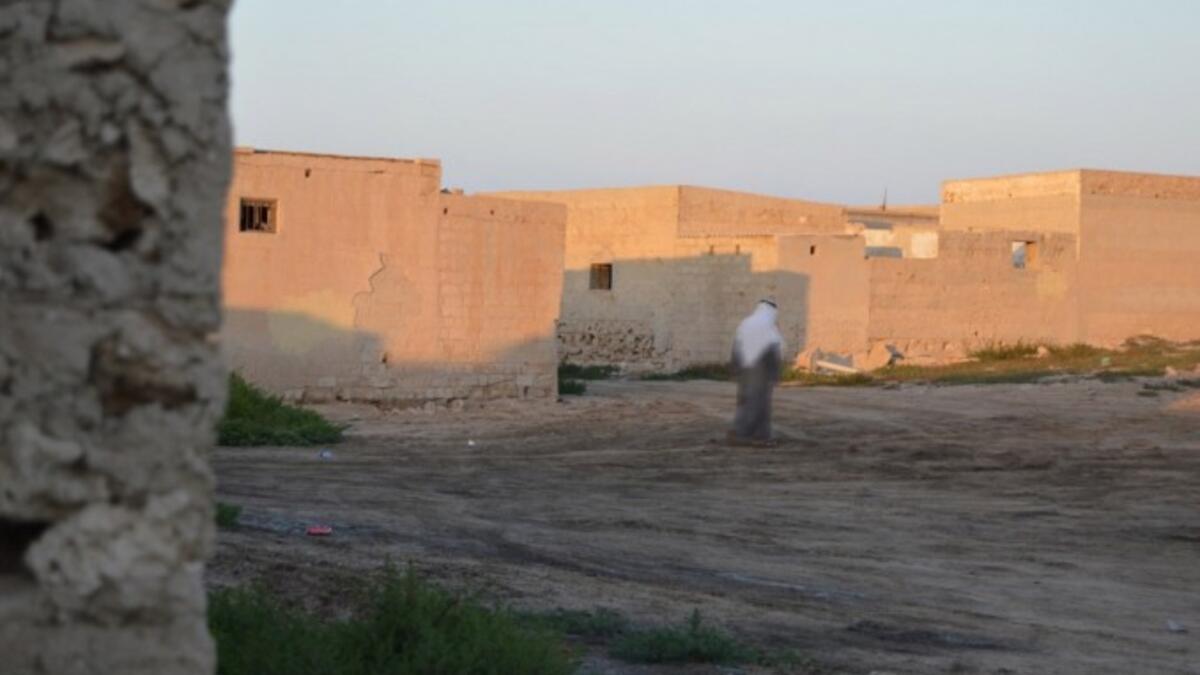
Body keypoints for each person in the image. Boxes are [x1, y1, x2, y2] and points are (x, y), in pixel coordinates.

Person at [729, 299, 783, 446]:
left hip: (745, 369)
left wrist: (735, 368)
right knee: (760, 404)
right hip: (760, 370)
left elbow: (736, 346)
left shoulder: (746, 323)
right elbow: (773, 353)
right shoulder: (769, 327)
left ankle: (741, 433)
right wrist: (775, 374)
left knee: (744, 401)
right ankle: (758, 436)